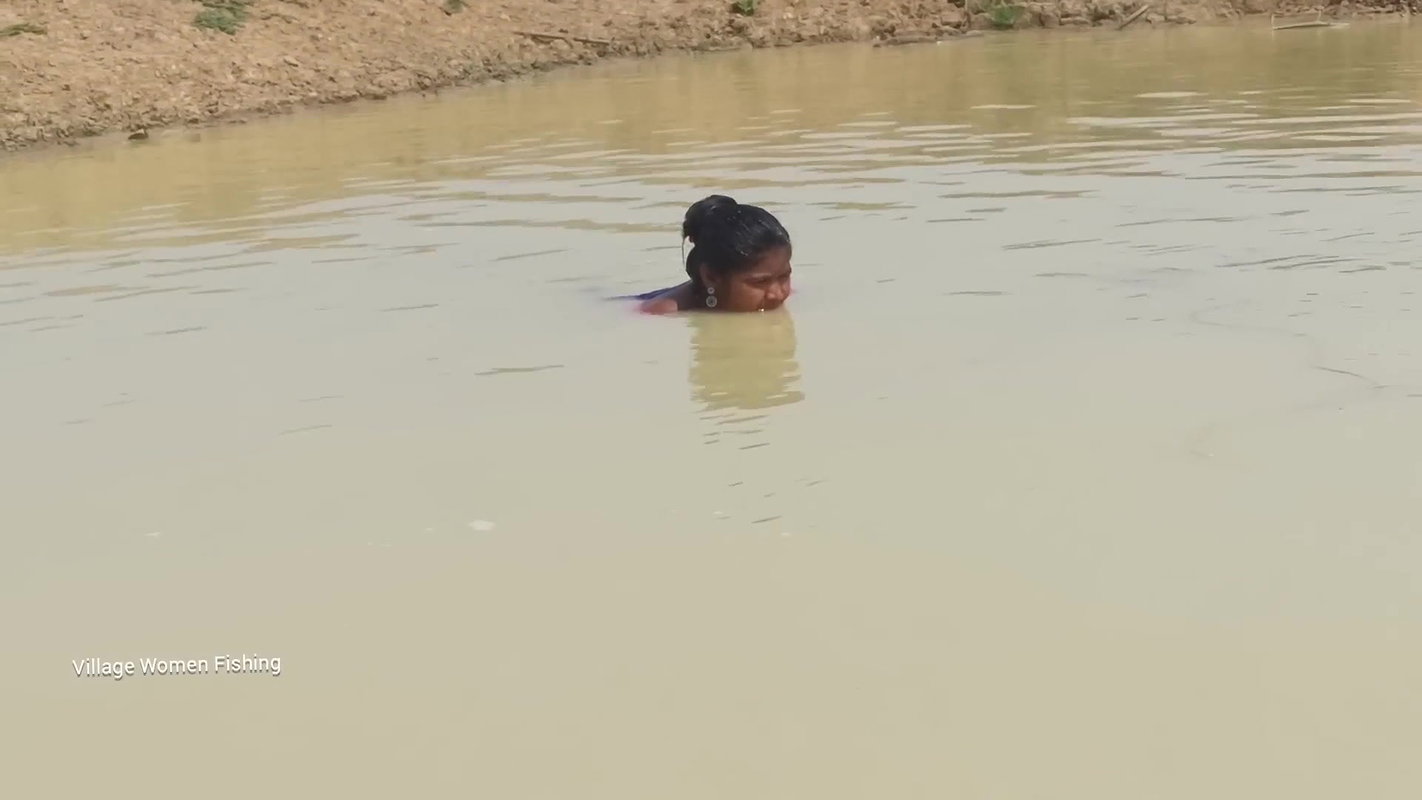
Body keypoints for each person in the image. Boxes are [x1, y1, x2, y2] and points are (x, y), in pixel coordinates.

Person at [633, 195, 793, 315]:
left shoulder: (782, 295)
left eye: (784, 277)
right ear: (711, 277)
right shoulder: (661, 315)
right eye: (761, 282)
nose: (778, 294)